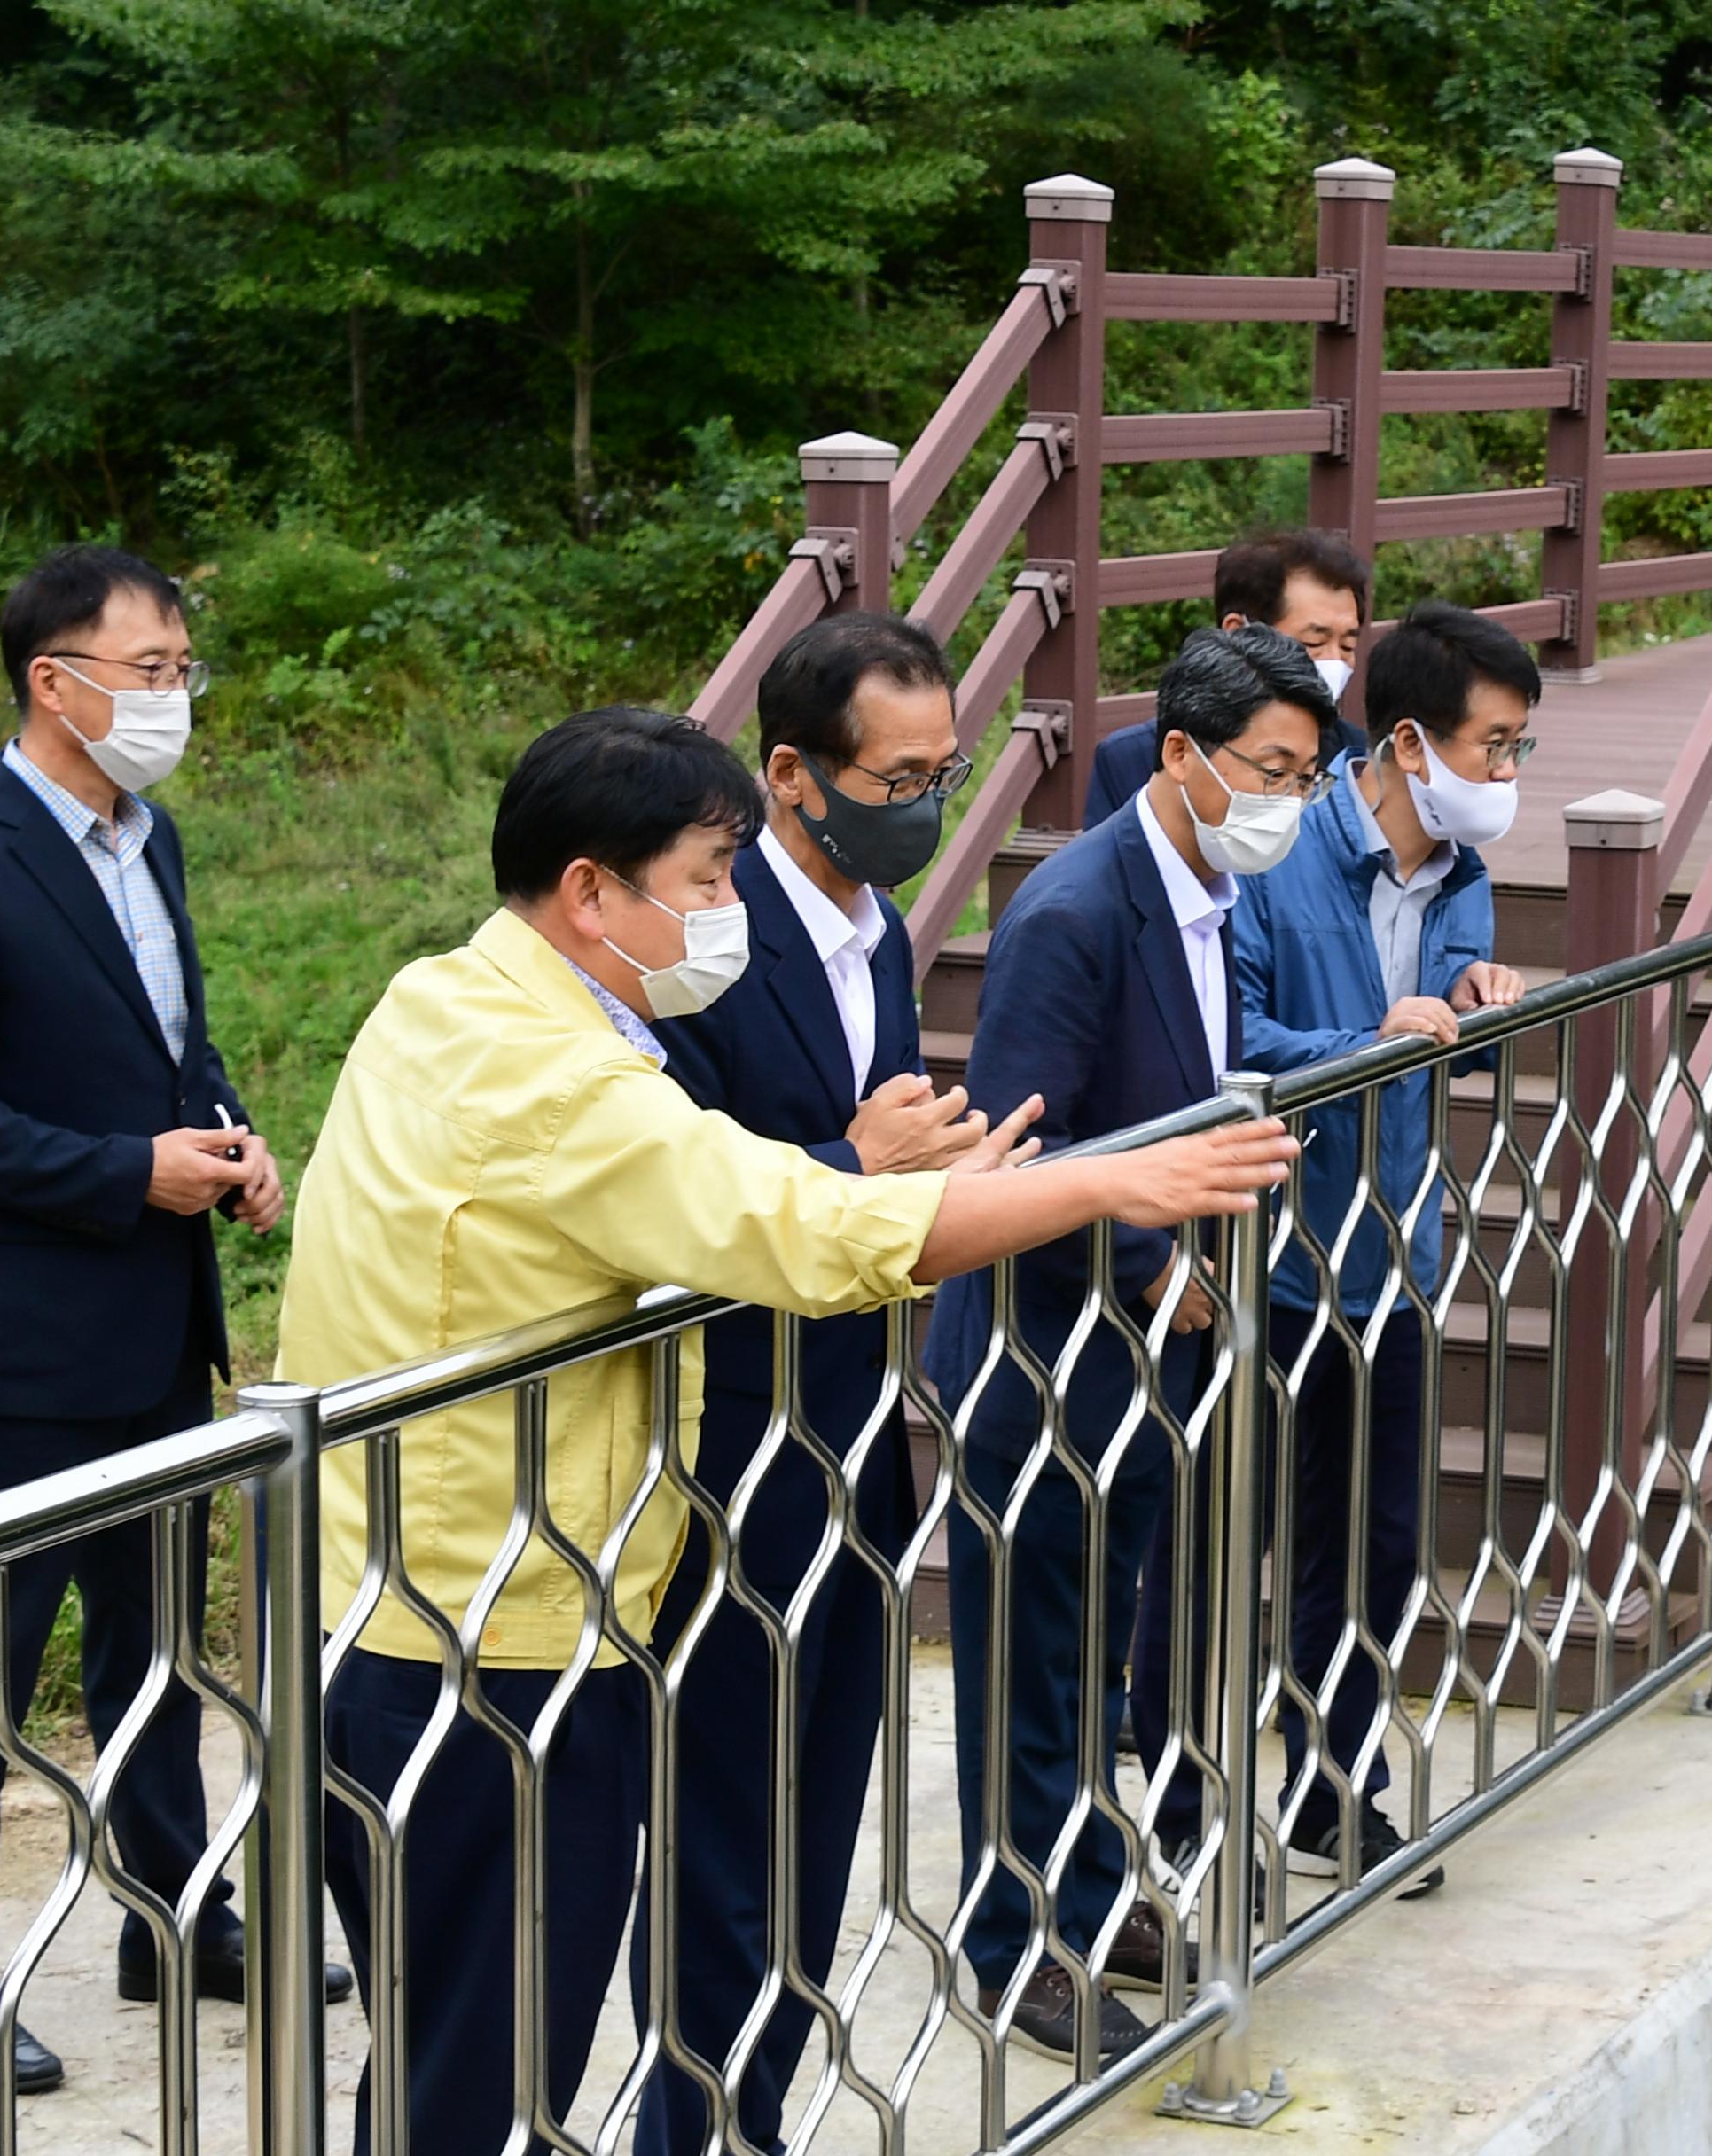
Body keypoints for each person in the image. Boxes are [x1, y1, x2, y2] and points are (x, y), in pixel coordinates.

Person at [276, 706, 1293, 2156]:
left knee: (455, 2035)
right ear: (587, 889)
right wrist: (1105, 1181)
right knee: (490, 2059)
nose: (721, 911)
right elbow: (799, 1228)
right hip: (488, 1630)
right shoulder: (556, 1076)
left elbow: (733, 1191)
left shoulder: (448, 997)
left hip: (408, 1597)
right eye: (699, 878)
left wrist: (913, 1180)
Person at [0, 545, 349, 2097]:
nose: (175, 698)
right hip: (23, 1344)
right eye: (148, 671)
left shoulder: (144, 837)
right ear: (56, 682)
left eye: (183, 669)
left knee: (156, 1646)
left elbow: (168, 1032)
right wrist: (130, 1172)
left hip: (158, 1320)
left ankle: (178, 1912)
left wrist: (225, 1133)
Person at [921, 626, 1335, 2065]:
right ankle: (1016, 1936)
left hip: (1146, 1343)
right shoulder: (1075, 911)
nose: (1286, 799)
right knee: (1028, 1654)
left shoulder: (1207, 892)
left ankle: (1091, 1888)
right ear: (1179, 755)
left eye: (1305, 775)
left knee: (1098, 1645)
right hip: (1047, 1345)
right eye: (1267, 770)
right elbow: (1016, 1152)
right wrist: (1158, 1265)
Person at [623, 615, 986, 2155]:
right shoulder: (699, 939)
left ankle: (753, 2110)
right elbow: (679, 1195)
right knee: (719, 1819)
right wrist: (861, 1166)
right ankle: (686, 2122)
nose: (923, 803)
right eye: (896, 776)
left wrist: (918, 1183)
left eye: (943, 773)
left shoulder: (872, 931)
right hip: (720, 1440)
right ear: (790, 773)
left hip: (848, 1426)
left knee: (820, 1805)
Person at [1200, 599, 1538, 1896]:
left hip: (1394, 1259)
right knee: (1228, 1542)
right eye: (1493, 747)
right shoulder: (1279, 854)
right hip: (1269, 1262)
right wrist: (1365, 1042)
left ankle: (1339, 1791)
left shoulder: (1460, 873)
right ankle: (1187, 1812)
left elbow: (1438, 1019)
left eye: (1516, 751)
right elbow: (1227, 1038)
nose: (1506, 778)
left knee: (1380, 1544)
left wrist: (1473, 999)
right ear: (1410, 743)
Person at [1081, 532, 1367, 823]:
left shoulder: (1356, 763)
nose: (1335, 661)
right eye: (1313, 643)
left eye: (1348, 646)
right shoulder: (1130, 760)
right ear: (1237, 630)